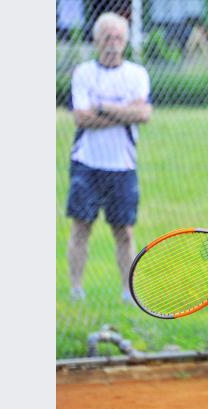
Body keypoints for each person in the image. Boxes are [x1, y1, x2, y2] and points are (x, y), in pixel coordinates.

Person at [66, 12, 152, 302]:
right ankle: (76, 289)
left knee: (124, 231)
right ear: (96, 40)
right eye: (106, 38)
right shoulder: (83, 73)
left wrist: (101, 108)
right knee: (81, 226)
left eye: (117, 38)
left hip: (122, 165)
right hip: (87, 163)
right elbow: (81, 117)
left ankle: (128, 291)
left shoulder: (136, 74)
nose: (112, 44)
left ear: (125, 41)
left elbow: (143, 113)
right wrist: (123, 112)